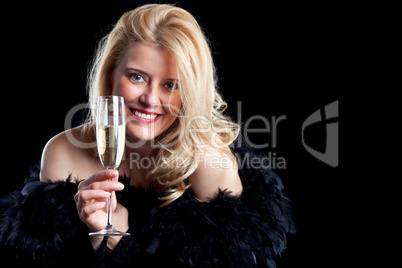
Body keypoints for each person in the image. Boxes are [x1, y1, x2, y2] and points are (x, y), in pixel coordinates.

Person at [0, 4, 295, 267]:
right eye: (137, 77)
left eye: (171, 85)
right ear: (110, 75)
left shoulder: (207, 164)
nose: (150, 99)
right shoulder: (63, 152)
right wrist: (92, 232)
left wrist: (116, 238)